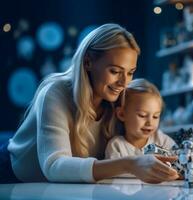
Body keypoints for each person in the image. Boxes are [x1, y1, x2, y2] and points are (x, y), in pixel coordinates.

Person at [0, 23, 178, 184]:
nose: (124, 82)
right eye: (115, 71)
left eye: (130, 72)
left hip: (54, 188)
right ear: (88, 62)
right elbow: (54, 166)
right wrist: (129, 164)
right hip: (10, 174)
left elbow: (151, 135)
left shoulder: (118, 101)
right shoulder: (55, 93)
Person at [105, 78, 176, 159]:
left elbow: (178, 161)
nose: (150, 122)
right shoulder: (116, 146)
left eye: (155, 116)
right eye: (142, 115)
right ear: (122, 114)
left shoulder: (162, 140)